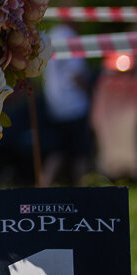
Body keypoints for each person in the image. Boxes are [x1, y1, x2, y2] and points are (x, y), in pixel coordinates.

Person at [41, 23, 94, 185]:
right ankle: (83, 191)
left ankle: (42, 188)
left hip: (55, 104)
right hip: (75, 106)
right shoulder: (71, 40)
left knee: (57, 152)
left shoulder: (51, 37)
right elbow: (76, 75)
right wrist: (91, 92)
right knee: (80, 154)